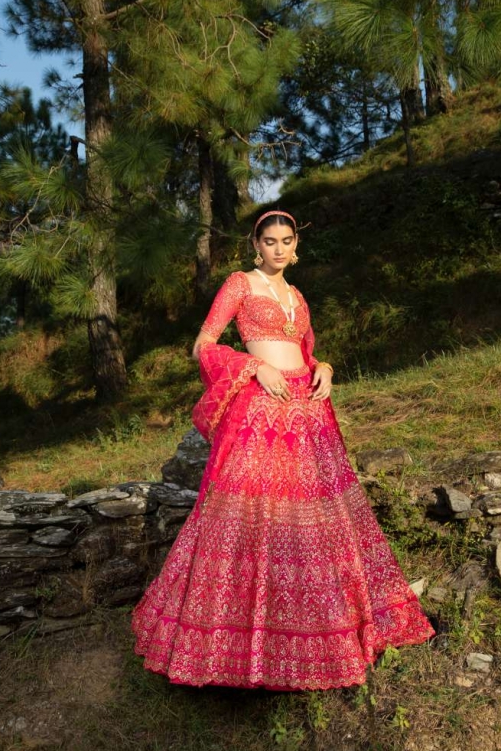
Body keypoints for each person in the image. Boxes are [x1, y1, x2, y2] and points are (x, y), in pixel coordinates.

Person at [131, 210, 435, 690]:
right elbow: (202, 345)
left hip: (308, 412)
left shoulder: (297, 296)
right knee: (253, 516)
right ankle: (233, 649)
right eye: (269, 240)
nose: (278, 248)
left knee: (316, 520)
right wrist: (253, 366)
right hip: (262, 409)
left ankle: (327, 634)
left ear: (296, 247)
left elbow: (307, 352)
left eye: (286, 241)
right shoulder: (239, 284)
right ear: (256, 243)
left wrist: (327, 369)